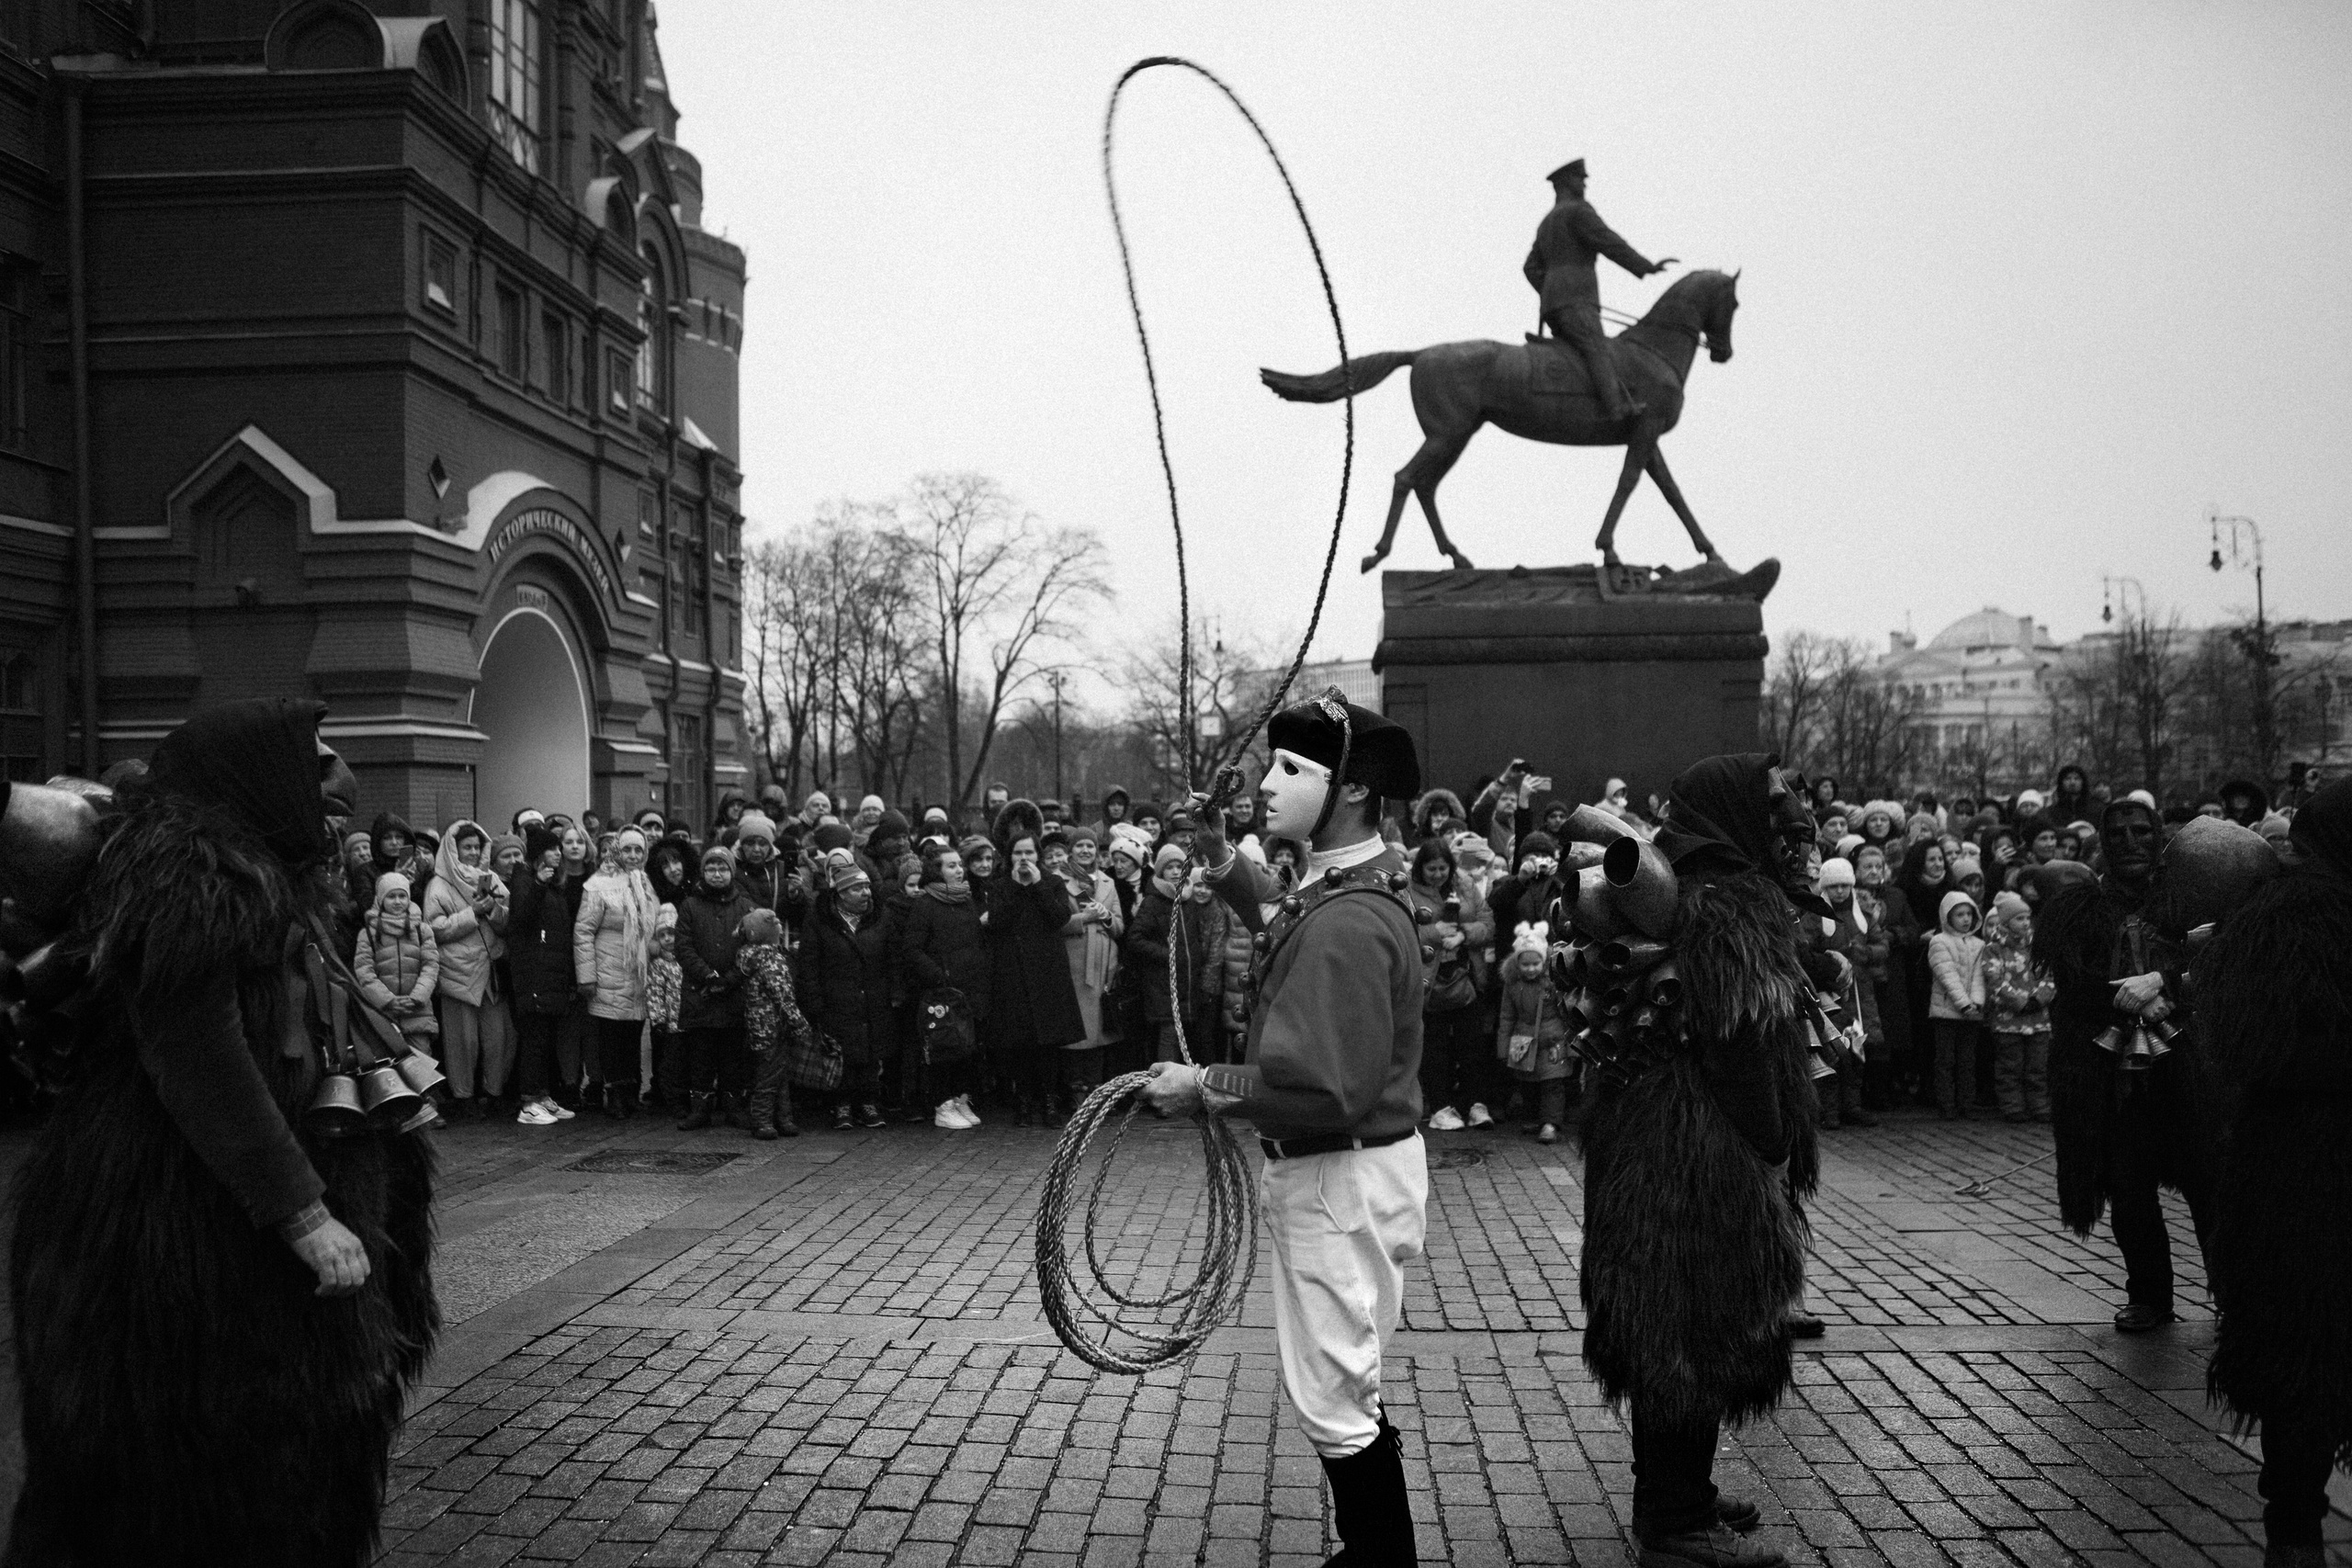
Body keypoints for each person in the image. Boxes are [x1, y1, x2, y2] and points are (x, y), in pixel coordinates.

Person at [6, 698, 437, 1565]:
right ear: (252, 776)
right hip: (189, 1255)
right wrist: (307, 1218)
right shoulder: (196, 886)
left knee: (279, 1484)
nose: (337, 778)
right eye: (314, 759)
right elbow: (200, 1061)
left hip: (250, 1256)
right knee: (182, 1494)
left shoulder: (277, 877)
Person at [1139, 693, 1427, 1567]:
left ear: (1349, 792)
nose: (1268, 783)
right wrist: (1225, 858)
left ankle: (1382, 1561)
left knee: (1334, 1395)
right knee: (1349, 1377)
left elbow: (1323, 1089)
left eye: (1290, 770)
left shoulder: (1346, 921)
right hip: (1357, 1169)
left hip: (1335, 1170)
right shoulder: (1344, 885)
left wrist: (1203, 1086)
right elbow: (1281, 913)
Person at [1575, 754, 1821, 1568]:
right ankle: (1676, 1525)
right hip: (1702, 1156)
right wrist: (1776, 1144)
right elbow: (1742, 1043)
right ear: (1736, 812)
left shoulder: (1682, 880)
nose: (1794, 811)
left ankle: (1680, 1496)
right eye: (1778, 799)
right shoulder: (1732, 898)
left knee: (1665, 1327)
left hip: (1648, 1142)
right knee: (1694, 1331)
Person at [2191, 779, 2352, 1568]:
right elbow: (2266, 1052)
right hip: (2307, 1177)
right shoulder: (2292, 924)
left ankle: (2295, 1534)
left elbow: (2237, 1056)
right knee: (2307, 1361)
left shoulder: (2265, 922)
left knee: (2302, 1363)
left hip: (2289, 1178)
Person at [2034, 796, 2215, 1332]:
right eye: (2119, 835)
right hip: (2112, 1078)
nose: (2131, 842)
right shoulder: (2079, 908)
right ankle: (2151, 1297)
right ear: (2103, 845)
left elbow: (2219, 958)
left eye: (2142, 831)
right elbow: (2068, 987)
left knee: (2211, 1185)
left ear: (2158, 836)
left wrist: (2166, 985)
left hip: (2187, 1069)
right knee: (2129, 1188)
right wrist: (2125, 997)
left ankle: (2232, 1297)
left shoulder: (2189, 900)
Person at [1522, 158, 1672, 423]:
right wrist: (1645, 266)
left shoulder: (1546, 222)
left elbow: (1529, 267)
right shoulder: (1578, 212)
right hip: (1577, 300)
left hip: (1553, 305)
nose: (1585, 183)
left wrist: (1548, 290)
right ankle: (1616, 408)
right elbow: (1609, 243)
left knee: (1576, 354)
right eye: (1580, 178)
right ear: (1566, 182)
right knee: (1596, 349)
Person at [982, 800, 1085, 1125]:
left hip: (1048, 973)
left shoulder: (1053, 884)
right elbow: (997, 921)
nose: (1023, 859)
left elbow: (1059, 917)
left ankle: (1051, 1102)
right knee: (1020, 1044)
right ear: (1009, 857)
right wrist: (1015, 885)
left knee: (1049, 1045)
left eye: (1028, 853)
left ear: (1037, 855)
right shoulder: (1000, 887)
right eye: (1017, 854)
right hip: (1014, 974)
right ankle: (1024, 1102)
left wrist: (1037, 883)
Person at [422, 819, 513, 1118]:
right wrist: (472, 914)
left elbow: (508, 922)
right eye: (467, 847)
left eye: (477, 847)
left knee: (497, 1037)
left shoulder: (492, 880)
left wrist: (494, 911)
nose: (473, 852)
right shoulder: (438, 885)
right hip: (458, 972)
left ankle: (494, 1093)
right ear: (453, 850)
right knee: (463, 1042)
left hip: (492, 971)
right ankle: (464, 1097)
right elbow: (434, 929)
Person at [1405, 836, 1495, 1132]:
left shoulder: (1465, 885)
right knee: (1435, 1048)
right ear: (1421, 868)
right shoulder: (1407, 890)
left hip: (1466, 976)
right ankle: (1441, 1107)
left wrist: (1464, 934)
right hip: (1430, 981)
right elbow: (1401, 931)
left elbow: (1487, 922)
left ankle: (1476, 1105)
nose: (1438, 875)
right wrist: (1435, 932)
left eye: (1443, 868)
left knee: (1472, 1045)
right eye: (1431, 869)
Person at [797, 859, 894, 1130]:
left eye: (867, 886)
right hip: (836, 998)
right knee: (842, 1055)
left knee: (871, 1054)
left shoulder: (880, 917)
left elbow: (892, 956)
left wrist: (893, 992)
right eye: (857, 888)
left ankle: (868, 1103)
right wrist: (813, 1002)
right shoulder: (820, 919)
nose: (865, 893)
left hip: (873, 996)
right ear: (840, 894)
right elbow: (809, 963)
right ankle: (842, 1105)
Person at [573, 825, 660, 1119]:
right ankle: (615, 1095)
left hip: (637, 973)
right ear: (616, 851)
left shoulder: (645, 882)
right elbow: (583, 931)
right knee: (611, 1037)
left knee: (632, 1035)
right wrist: (586, 975)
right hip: (609, 970)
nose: (633, 855)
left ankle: (630, 1091)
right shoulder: (599, 884)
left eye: (639, 850)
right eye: (627, 849)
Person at [902, 843, 989, 1128]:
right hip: (942, 991)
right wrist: (940, 976)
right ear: (937, 872)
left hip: (969, 988)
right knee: (944, 1047)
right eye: (951, 866)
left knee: (967, 1048)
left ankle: (961, 1099)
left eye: (959, 865)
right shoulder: (925, 904)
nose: (959, 870)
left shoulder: (966, 899)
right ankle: (942, 1104)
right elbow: (913, 949)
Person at [673, 843, 756, 1131]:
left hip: (735, 994)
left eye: (723, 868)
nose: (717, 874)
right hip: (701, 995)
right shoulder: (690, 905)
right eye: (711, 868)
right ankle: (701, 1108)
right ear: (702, 871)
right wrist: (707, 976)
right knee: (701, 1058)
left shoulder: (745, 906)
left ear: (732, 872)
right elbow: (683, 947)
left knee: (734, 1057)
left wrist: (731, 978)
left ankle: (734, 1107)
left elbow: (752, 947)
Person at [1057, 825, 1125, 1106]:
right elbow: (1054, 923)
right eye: (1079, 846)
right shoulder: (1059, 881)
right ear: (1071, 850)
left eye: (1090, 846)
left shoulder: (1108, 883)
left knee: (1099, 1033)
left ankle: (1096, 1090)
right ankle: (1075, 1089)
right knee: (1076, 1032)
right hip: (1073, 966)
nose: (1085, 851)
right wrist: (1083, 919)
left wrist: (1106, 916)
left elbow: (1120, 927)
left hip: (1103, 968)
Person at [736, 907, 812, 1139]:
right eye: (776, 924)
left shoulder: (750, 956)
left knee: (777, 1073)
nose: (780, 927)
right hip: (773, 1027)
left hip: (760, 1026)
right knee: (770, 1076)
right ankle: (762, 1121)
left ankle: (783, 1119)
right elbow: (784, 998)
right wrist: (800, 1025)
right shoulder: (772, 960)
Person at [1979, 890, 2054, 1122]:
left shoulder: (2037, 947)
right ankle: (2012, 1106)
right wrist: (2019, 1001)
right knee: (2010, 1067)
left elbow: (2049, 977)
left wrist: (2038, 999)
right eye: (2019, 918)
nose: (2025, 923)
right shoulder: (1994, 949)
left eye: (2026, 918)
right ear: (2006, 922)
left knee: (2038, 1068)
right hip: (2008, 1021)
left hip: (2038, 1020)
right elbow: (1994, 980)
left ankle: (2039, 1106)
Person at [1497, 920, 1573, 1143]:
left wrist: (1571, 1043)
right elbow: (1507, 1016)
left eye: (1535, 964)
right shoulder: (1512, 985)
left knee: (1553, 1083)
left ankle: (1550, 1123)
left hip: (1553, 1040)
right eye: (1525, 965)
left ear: (1544, 961)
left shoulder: (1553, 983)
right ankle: (1531, 1117)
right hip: (1524, 1040)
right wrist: (1503, 1046)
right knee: (1528, 1081)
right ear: (1517, 964)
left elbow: (1566, 1011)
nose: (1531, 969)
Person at [354, 872, 441, 1047]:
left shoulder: (422, 930)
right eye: (391, 896)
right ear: (380, 899)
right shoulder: (368, 934)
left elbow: (430, 966)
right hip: (383, 1014)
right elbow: (364, 971)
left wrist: (417, 998)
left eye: (402, 896)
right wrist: (388, 1000)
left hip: (418, 1013)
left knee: (422, 1067)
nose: (397, 901)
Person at [1926, 892, 1987, 1119]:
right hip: (1945, 1013)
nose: (1965, 919)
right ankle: (1946, 1104)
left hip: (1972, 1013)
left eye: (1969, 913)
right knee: (1945, 1060)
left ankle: (1966, 1103)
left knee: (1967, 1061)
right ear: (1947, 917)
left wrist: (1977, 1003)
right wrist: (1964, 1004)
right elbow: (1947, 976)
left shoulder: (1979, 945)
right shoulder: (1939, 942)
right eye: (1959, 914)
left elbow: (1980, 976)